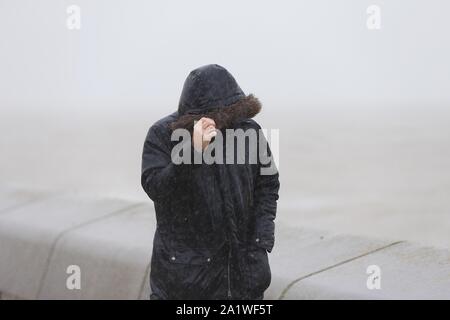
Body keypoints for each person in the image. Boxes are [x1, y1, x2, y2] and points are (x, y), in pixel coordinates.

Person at [141, 64, 280, 300]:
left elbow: (268, 185)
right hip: (185, 281)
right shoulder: (163, 134)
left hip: (243, 277)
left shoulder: (249, 131)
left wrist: (261, 240)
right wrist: (193, 151)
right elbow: (157, 189)